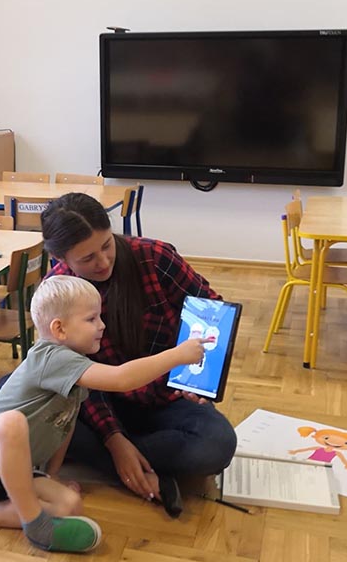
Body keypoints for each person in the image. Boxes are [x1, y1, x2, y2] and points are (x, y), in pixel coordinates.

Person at [0, 275, 208, 552]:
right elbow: (121, 378)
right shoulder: (52, 357)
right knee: (12, 423)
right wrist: (177, 355)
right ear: (59, 329)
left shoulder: (74, 367)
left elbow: (63, 426)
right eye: (92, 319)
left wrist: (51, 475)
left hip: (15, 474)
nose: (102, 325)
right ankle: (35, 525)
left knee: (70, 505)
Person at [40, 192, 238, 515]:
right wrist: (114, 438)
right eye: (87, 259)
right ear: (61, 259)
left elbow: (211, 310)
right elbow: (74, 380)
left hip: (166, 397)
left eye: (107, 245)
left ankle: (119, 463)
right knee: (24, 401)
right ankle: (141, 465)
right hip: (100, 402)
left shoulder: (153, 257)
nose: (103, 262)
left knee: (217, 444)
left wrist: (199, 378)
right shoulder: (57, 294)